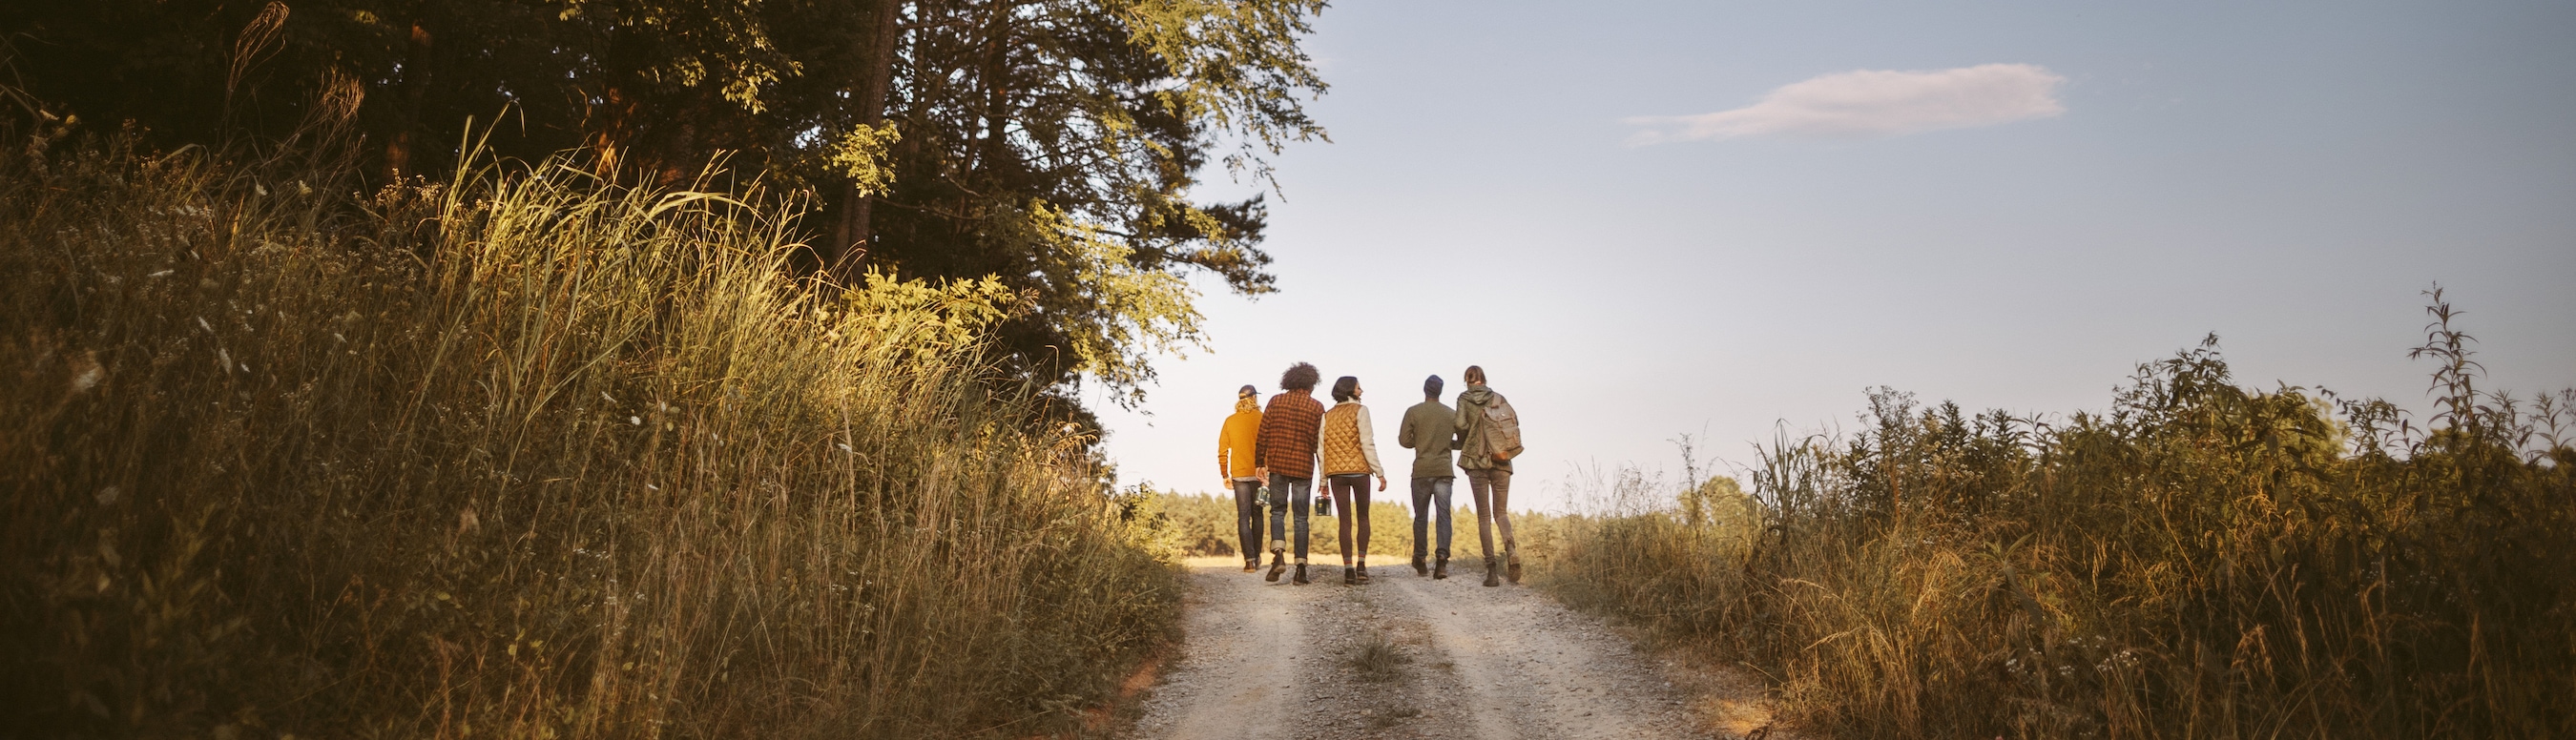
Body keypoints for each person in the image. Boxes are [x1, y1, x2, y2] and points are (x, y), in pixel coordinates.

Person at [1253, 362, 1327, 585]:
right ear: (1311, 383)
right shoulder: (1317, 407)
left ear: (1289, 381)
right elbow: (1319, 443)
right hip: (1303, 467)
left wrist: (1259, 462)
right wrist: (1324, 475)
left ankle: (1278, 556)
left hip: (1278, 465)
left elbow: (1263, 433)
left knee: (1277, 511)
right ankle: (1301, 569)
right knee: (1301, 517)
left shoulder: (1276, 401)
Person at [1455, 365, 1526, 586]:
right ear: (1484, 380)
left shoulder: (1464, 398)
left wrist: (1468, 433)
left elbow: (1459, 424)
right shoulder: (1498, 397)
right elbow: (1514, 425)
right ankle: (1511, 548)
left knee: (1484, 517)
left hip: (1477, 461)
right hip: (1501, 459)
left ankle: (1492, 571)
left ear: (1467, 380)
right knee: (1501, 513)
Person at [1319, 376, 1389, 586]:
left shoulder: (1327, 416)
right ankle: (1361, 566)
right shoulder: (1361, 411)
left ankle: (1348, 569)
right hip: (1360, 472)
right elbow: (1367, 443)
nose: (1361, 391)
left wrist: (1323, 480)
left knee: (1344, 521)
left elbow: (1321, 450)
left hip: (1336, 474)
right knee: (1363, 517)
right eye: (1359, 388)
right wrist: (1379, 472)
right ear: (1350, 390)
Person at [1396, 374, 1461, 579]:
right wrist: (1448, 444)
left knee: (1421, 516)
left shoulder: (1413, 412)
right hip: (1443, 470)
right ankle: (1442, 560)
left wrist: (1422, 441)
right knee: (1444, 515)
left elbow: (1404, 441)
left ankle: (1420, 558)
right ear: (1440, 391)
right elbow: (1464, 440)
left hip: (1422, 470)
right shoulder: (1451, 414)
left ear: (1425, 389)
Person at [1216, 384, 1266, 572]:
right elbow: (1267, 446)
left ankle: (1249, 561)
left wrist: (1225, 474)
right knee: (1258, 515)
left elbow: (1222, 450)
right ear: (1254, 398)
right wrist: (1267, 471)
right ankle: (1258, 556)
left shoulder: (1230, 421)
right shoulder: (1262, 418)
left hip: (1238, 475)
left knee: (1243, 517)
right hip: (1259, 473)